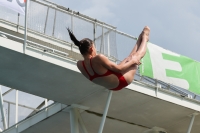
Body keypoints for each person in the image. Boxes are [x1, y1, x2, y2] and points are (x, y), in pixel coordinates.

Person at [67, 26, 150, 91]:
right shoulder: (98, 58)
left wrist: (129, 60)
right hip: (121, 80)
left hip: (112, 86)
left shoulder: (80, 65)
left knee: (129, 57)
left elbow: (112, 71)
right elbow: (119, 69)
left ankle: (140, 37)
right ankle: (145, 37)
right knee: (136, 57)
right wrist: (133, 62)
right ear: (92, 48)